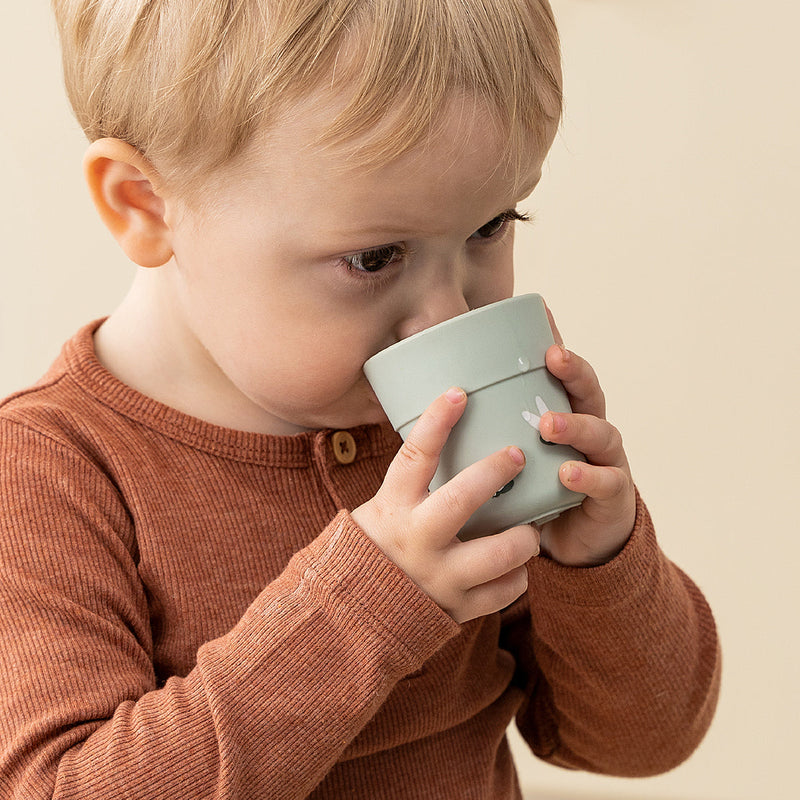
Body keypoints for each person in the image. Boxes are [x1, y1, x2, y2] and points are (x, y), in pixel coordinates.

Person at [0, 1, 721, 798]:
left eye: (491, 226)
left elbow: (639, 744)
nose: (451, 317)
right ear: (144, 203)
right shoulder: (48, 474)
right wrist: (367, 604)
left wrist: (596, 562)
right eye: (375, 257)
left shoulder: (437, 437)